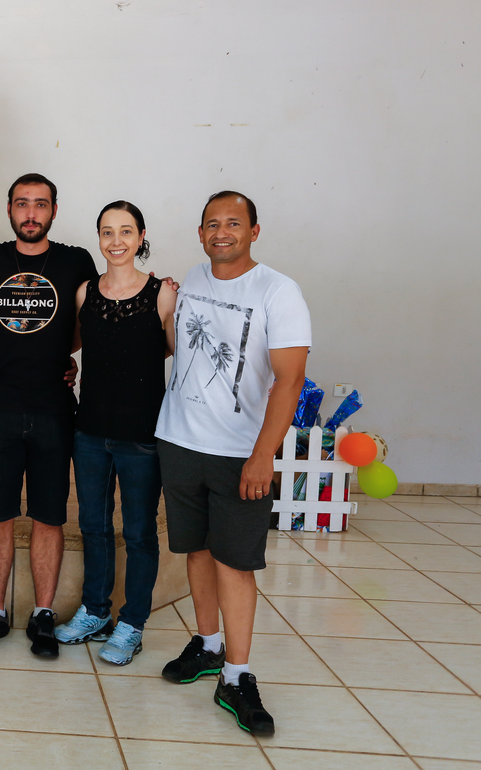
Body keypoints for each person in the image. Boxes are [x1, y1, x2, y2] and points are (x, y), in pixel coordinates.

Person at [156, 191, 310, 736]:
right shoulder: (191, 280)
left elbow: (290, 380)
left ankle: (238, 676)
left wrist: (263, 455)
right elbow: (180, 348)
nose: (222, 232)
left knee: (235, 564)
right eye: (212, 224)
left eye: (233, 223)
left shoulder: (278, 291)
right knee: (196, 551)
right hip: (179, 441)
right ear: (200, 232)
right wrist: (166, 311)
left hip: (239, 453)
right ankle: (208, 644)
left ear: (254, 231)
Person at [0, 173, 97, 659]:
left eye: (41, 204)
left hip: (53, 410)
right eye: (22, 204)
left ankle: (43, 613)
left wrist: (66, 356)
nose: (31, 213)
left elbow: (88, 319)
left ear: (54, 211)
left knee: (49, 516)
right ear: (9, 209)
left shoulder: (76, 261)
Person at [54, 201, 176, 665]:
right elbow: (73, 345)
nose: (117, 240)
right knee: (94, 526)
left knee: (140, 532)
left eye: (126, 231)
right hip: (89, 431)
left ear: (141, 237)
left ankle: (132, 623)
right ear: (99, 238)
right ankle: (95, 611)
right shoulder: (85, 292)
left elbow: (175, 351)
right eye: (108, 232)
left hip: (142, 436)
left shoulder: (163, 294)